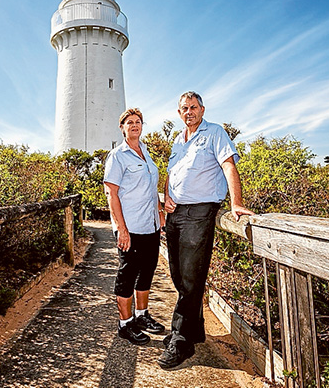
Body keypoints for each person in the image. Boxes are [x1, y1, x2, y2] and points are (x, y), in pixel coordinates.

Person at [158, 91, 253, 369]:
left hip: (200, 212)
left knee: (191, 277)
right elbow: (171, 174)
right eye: (184, 108)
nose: (189, 112)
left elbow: (228, 164)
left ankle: (181, 339)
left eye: (194, 107)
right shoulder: (178, 140)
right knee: (178, 274)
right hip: (176, 213)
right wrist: (167, 198)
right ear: (179, 113)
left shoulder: (215, 133)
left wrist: (237, 202)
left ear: (202, 109)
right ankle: (194, 330)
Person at [104, 108, 166, 345]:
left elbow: (151, 191)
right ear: (122, 127)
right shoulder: (118, 156)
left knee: (147, 271)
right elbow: (111, 193)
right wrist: (122, 228)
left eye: (138, 121)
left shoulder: (146, 152)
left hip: (149, 224)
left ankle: (141, 315)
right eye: (129, 122)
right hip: (130, 226)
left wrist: (159, 214)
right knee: (127, 273)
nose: (134, 125)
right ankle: (125, 323)